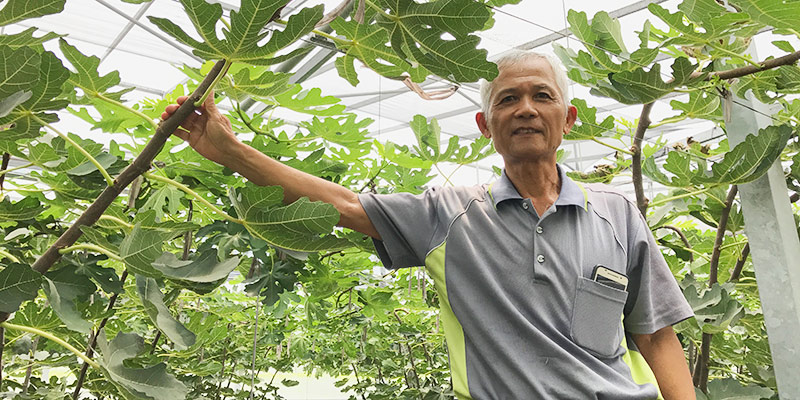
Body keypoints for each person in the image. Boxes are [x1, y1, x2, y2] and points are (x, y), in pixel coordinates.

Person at [162, 50, 695, 399]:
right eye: (508, 100)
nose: (526, 109)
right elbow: (345, 205)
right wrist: (228, 151)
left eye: (542, 96)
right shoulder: (451, 212)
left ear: (568, 118)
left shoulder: (618, 213)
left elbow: (656, 337)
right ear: (487, 125)